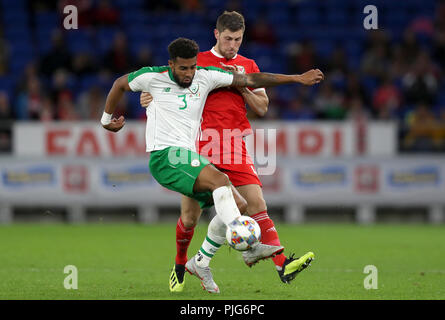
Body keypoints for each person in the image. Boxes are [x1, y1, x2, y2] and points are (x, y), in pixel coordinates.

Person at [102, 36, 323, 293]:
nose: (189, 73)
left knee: (238, 204)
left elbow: (251, 79)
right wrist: (106, 120)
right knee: (210, 194)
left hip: (192, 154)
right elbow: (119, 84)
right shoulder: (152, 77)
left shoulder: (205, 76)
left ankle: (201, 262)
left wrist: (296, 78)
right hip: (166, 156)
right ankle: (250, 250)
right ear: (171, 64)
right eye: (183, 68)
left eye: (193, 67)